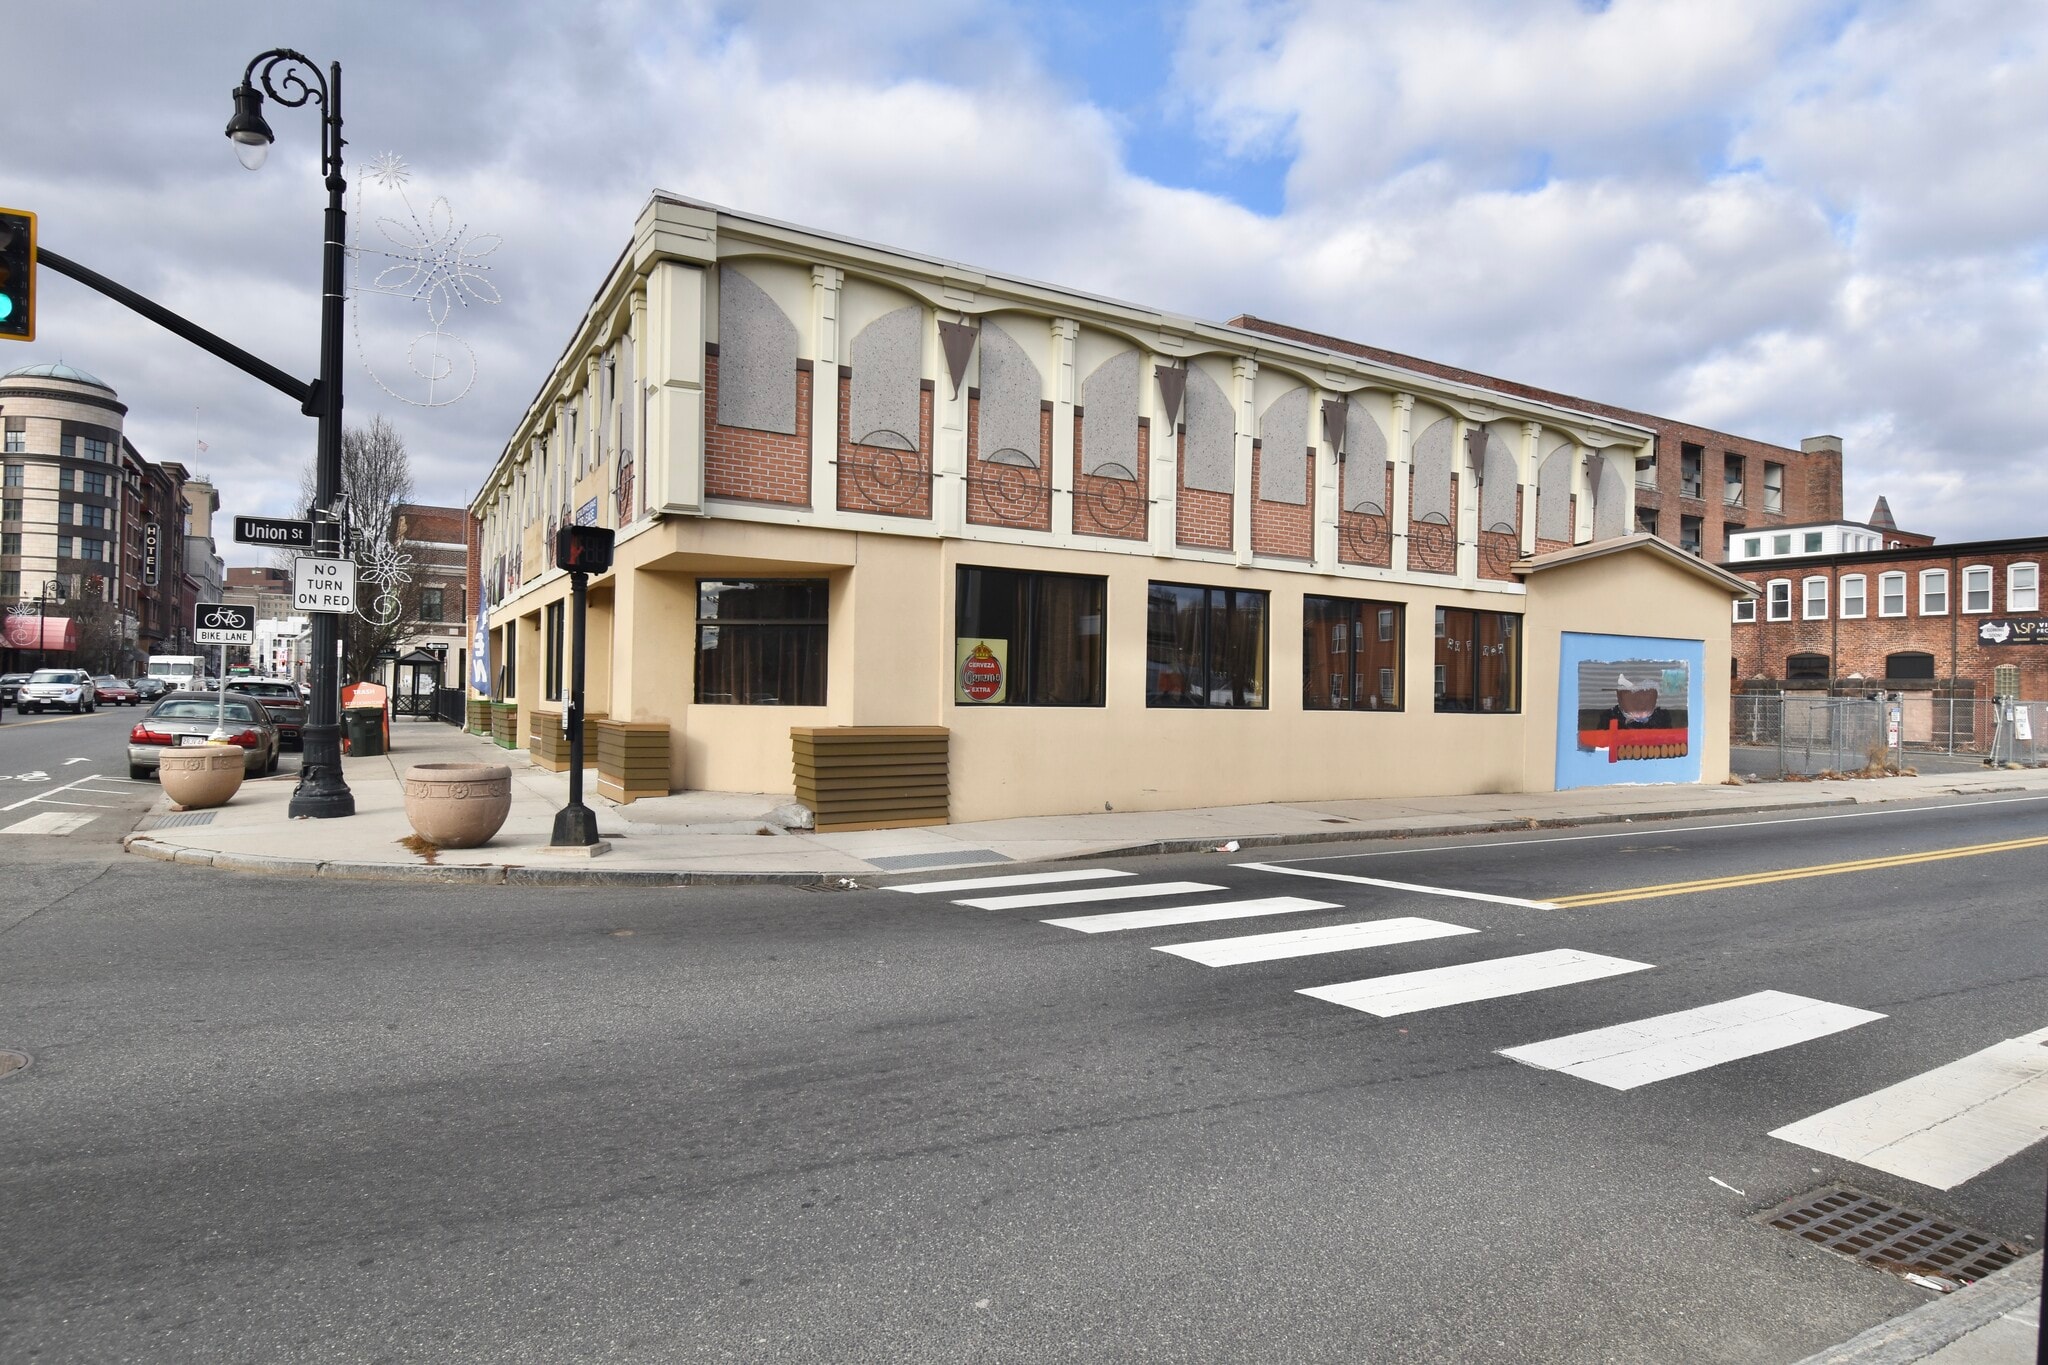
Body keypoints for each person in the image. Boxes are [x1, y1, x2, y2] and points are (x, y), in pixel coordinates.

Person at [1606, 672, 1674, 729]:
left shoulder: (1662, 717)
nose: (1640, 700)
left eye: (1646, 693)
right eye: (1634, 695)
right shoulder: (1609, 717)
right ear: (1619, 696)